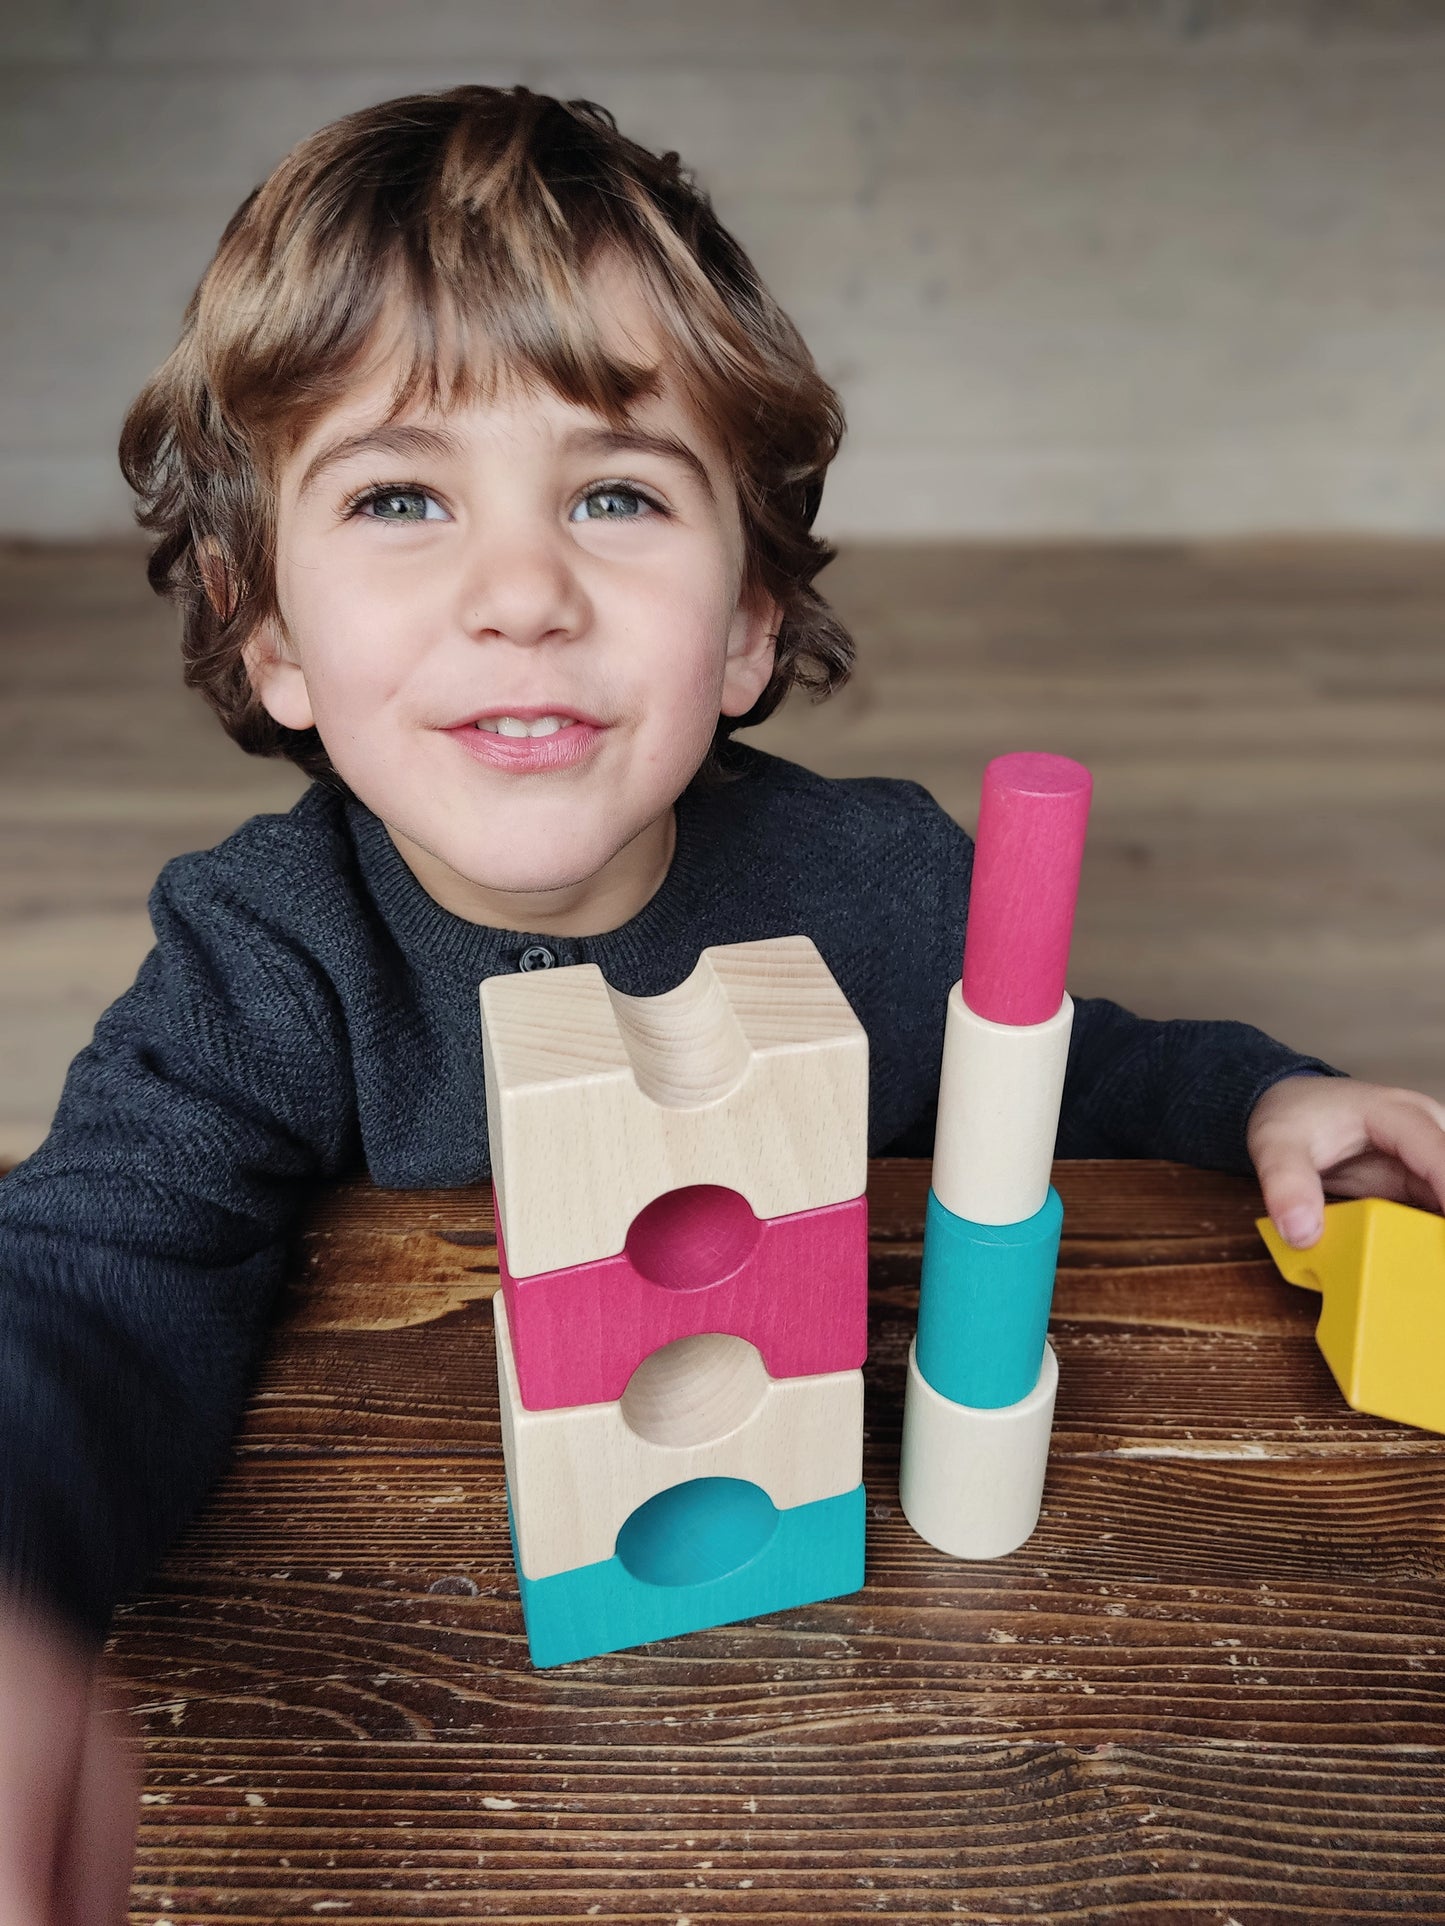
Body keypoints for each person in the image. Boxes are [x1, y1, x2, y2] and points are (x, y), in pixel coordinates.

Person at [3, 84, 1443, 1917]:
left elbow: (1077, 1069)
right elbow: (90, 1268)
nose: (519, 589)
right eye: (396, 497)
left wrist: (1265, 1097)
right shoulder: (261, 955)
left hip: (849, 1713)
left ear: (750, 618)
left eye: (612, 492)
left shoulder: (880, 887)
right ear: (268, 629)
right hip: (454, 1727)